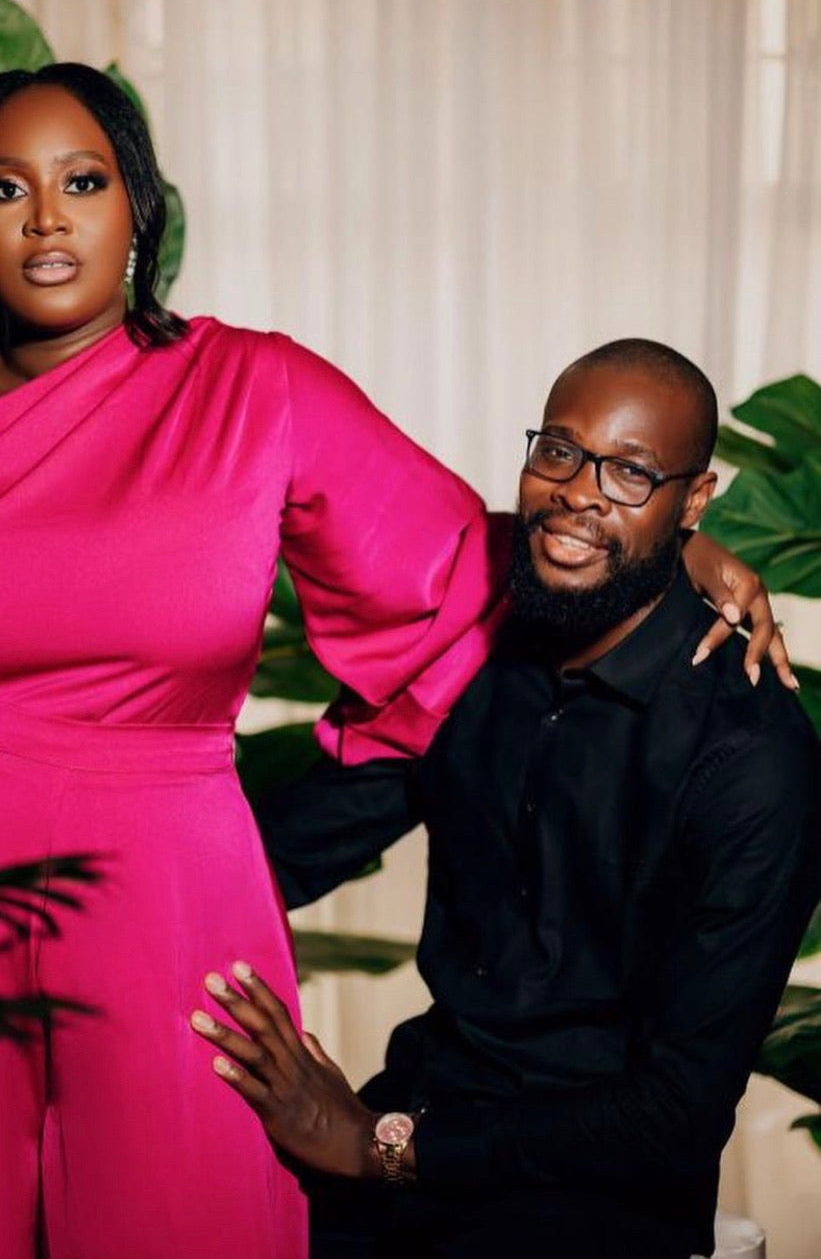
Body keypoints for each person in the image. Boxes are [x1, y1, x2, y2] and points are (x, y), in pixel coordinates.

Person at [0, 62, 780, 1259]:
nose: (44, 218)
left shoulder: (252, 388)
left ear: (139, 206)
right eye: (2, 187)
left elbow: (453, 546)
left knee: (178, 1208)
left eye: (83, 180)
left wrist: (688, 549)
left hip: (158, 883)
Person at [191, 341, 821, 1259]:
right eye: (558, 452)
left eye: (630, 471)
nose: (577, 491)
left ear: (693, 502)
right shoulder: (475, 656)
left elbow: (673, 1116)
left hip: (591, 1192)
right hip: (422, 1108)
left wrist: (380, 1150)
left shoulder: (751, 757)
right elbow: (293, 847)